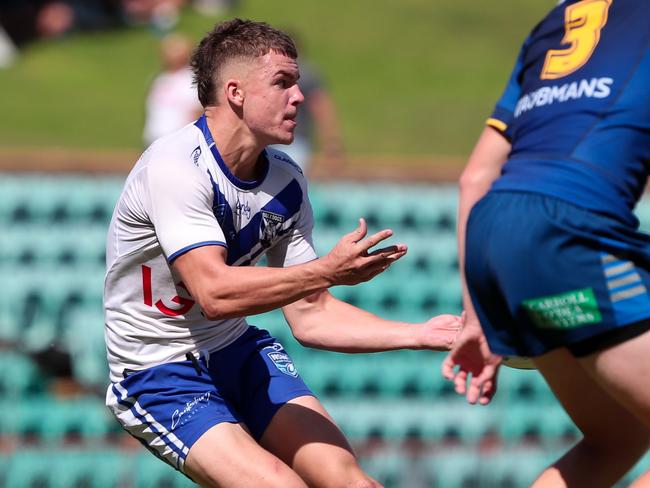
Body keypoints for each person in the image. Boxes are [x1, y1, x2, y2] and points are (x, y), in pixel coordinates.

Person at [104, 19, 461, 487]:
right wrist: (326, 271)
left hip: (236, 349)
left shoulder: (286, 180)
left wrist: (422, 333)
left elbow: (312, 317)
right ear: (236, 92)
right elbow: (214, 293)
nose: (300, 96)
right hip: (159, 372)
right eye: (283, 83)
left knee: (352, 482)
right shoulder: (174, 166)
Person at [442, 1, 650, 486]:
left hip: (494, 232)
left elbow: (474, 178)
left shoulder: (552, 23)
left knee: (616, 438)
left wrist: (478, 314)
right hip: (566, 232)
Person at [142, 33, 203, 146]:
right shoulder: (160, 79)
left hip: (177, 142)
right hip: (153, 140)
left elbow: (196, 111)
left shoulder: (190, 80)